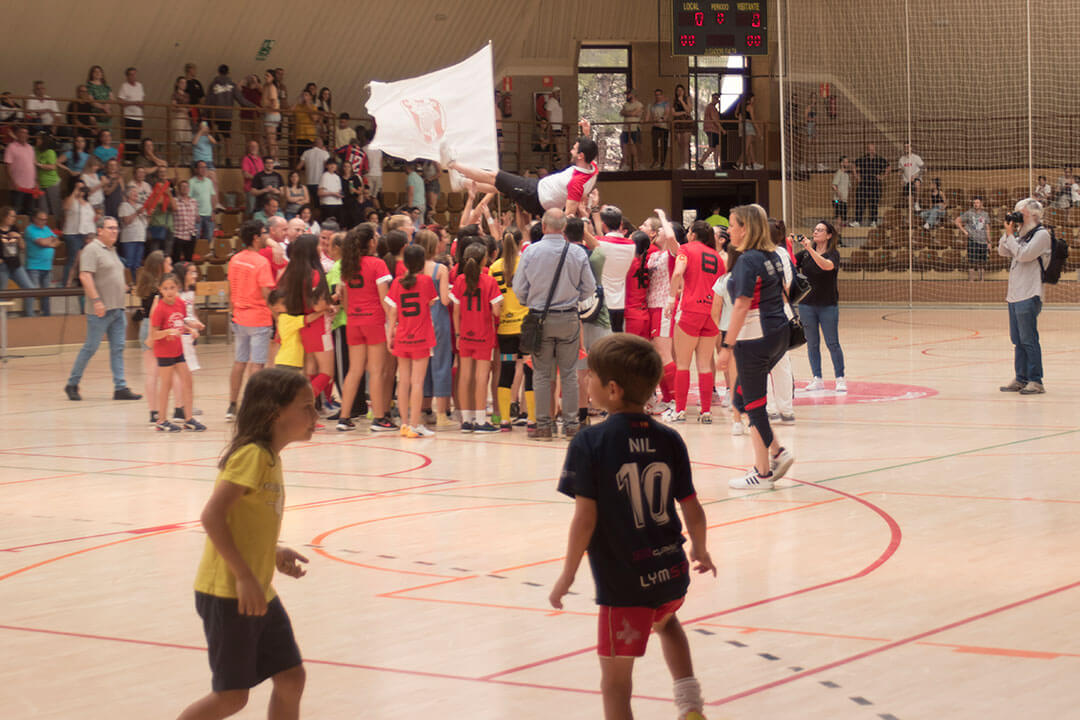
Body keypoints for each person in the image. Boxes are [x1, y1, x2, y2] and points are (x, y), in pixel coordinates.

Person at [549, 333, 714, 720]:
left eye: (591, 376)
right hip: (670, 571)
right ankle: (690, 706)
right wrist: (701, 549)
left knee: (616, 683)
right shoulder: (669, 438)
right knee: (667, 622)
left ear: (612, 389)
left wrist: (567, 575)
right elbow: (692, 506)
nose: (587, 381)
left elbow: (584, 520)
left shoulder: (590, 442)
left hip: (624, 583)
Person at [175, 367, 312, 720]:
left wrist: (272, 552)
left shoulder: (270, 457)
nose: (315, 415)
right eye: (306, 407)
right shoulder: (253, 455)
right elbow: (212, 516)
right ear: (275, 413)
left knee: (291, 678)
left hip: (256, 589)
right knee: (232, 697)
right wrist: (244, 576)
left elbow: (244, 521)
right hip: (228, 593)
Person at [721, 204, 796, 489]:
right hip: (778, 333)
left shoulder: (747, 260)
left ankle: (769, 465)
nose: (729, 230)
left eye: (732, 225)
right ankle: (768, 460)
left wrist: (726, 346)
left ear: (745, 228)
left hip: (754, 337)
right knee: (743, 400)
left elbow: (742, 305)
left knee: (752, 405)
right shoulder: (773, 255)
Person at [513, 209, 596, 441]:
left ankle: (543, 426)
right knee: (569, 374)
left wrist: (529, 301)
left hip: (540, 318)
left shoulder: (531, 252)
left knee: (541, 374)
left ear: (544, 226)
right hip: (568, 317)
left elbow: (519, 288)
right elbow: (589, 287)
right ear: (564, 228)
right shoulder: (577, 253)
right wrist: (573, 297)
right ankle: (570, 426)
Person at [443, 121, 599, 217]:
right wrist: (586, 134)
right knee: (499, 187)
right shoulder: (592, 168)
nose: (571, 151)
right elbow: (589, 152)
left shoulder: (577, 183)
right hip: (537, 189)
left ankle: (452, 164)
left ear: (581, 156)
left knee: (495, 176)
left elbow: (568, 215)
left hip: (534, 196)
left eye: (574, 149)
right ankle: (462, 182)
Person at [64, 216, 142, 401]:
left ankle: (120, 387)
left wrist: (123, 286)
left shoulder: (112, 250)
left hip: (117, 308)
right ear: (100, 230)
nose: (115, 231)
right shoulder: (92, 249)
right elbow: (85, 276)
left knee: (118, 348)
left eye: (116, 228)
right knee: (90, 347)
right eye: (110, 228)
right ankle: (72, 384)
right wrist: (96, 300)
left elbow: (110, 275)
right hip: (100, 310)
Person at [335, 224, 395, 432]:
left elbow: (345, 301)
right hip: (374, 321)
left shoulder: (347, 265)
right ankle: (379, 418)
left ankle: (344, 418)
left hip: (353, 322)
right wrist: (395, 321)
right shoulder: (377, 264)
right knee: (376, 371)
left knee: (354, 370)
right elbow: (384, 299)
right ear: (370, 242)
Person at [663, 221, 723, 423]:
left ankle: (680, 411)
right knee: (705, 364)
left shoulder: (686, 249)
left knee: (682, 363)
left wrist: (671, 299)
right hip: (712, 313)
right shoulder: (718, 257)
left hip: (690, 310)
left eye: (688, 232)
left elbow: (677, 273)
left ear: (693, 235)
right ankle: (706, 412)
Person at [998, 198, 1052, 395]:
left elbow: (1023, 255)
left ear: (1034, 215)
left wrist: (1011, 236)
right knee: (1017, 340)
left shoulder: (1041, 235)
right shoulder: (1022, 235)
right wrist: (1009, 232)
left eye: (1021, 213)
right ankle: (1021, 378)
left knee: (1028, 339)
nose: (1018, 216)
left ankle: (1036, 380)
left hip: (1029, 293)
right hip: (1015, 294)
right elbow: (1002, 250)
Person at [384, 244, 438, 438]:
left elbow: (392, 312)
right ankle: (415, 425)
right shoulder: (426, 281)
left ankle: (404, 424)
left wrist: (390, 334)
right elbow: (431, 302)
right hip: (421, 337)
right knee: (417, 383)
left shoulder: (397, 282)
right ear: (422, 263)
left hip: (402, 336)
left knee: (403, 381)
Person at [226, 220, 276, 420]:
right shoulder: (261, 262)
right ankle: (253, 407)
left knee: (239, 361)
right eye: (264, 233)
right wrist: (277, 316)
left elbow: (230, 289)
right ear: (256, 238)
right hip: (258, 318)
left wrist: (233, 311)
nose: (266, 237)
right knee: (257, 364)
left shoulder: (235, 260)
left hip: (239, 317)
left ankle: (232, 405)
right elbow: (266, 293)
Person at [452, 243, 502, 432]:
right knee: (481, 377)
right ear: (484, 260)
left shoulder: (460, 280)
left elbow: (455, 311)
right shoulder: (489, 281)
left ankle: (466, 420)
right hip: (483, 335)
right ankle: (481, 421)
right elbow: (496, 312)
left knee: (465, 376)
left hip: (465, 334)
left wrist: (458, 334)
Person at [149, 272, 206, 432]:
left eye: (172, 288)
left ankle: (188, 419)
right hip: (164, 352)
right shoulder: (160, 309)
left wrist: (191, 329)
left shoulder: (180, 303)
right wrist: (167, 332)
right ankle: (161, 420)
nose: (169, 291)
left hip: (177, 350)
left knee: (188, 381)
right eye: (165, 288)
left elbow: (179, 324)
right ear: (160, 289)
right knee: (166, 385)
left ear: (177, 288)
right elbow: (154, 334)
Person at [490, 228, 535, 432]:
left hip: (505, 329)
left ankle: (505, 420)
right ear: (519, 242)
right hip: (526, 327)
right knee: (529, 371)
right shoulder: (527, 263)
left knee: (506, 370)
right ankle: (532, 420)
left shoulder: (494, 267)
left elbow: (494, 299)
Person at [798, 221, 846, 394]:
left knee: (832, 343)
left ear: (829, 235)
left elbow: (826, 266)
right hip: (806, 305)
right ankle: (817, 378)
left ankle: (840, 378)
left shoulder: (833, 254)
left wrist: (809, 249)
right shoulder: (804, 254)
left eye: (820, 230)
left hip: (827, 305)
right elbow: (789, 263)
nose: (816, 232)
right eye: (815, 229)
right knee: (812, 343)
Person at [206, 65, 255, 162]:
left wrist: (205, 112)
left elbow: (209, 99)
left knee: (209, 131)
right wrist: (253, 106)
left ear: (218, 72)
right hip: (226, 113)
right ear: (228, 73)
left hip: (214, 112)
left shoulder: (213, 84)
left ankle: (211, 153)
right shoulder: (232, 85)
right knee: (227, 136)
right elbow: (241, 100)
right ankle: (228, 157)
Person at [0, 207, 36, 316]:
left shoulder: (14, 228)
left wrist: (19, 237)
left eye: (14, 216)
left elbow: (23, 247)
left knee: (30, 288)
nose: (14, 218)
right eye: (12, 216)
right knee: (2, 293)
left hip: (16, 265)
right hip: (2, 266)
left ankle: (29, 315)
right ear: (4, 216)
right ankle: (2, 318)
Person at [23, 210, 59, 316]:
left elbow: (57, 242)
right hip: (34, 266)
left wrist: (49, 242)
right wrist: (51, 240)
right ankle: (29, 315)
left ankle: (46, 315)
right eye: (41, 219)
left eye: (45, 220)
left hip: (47, 266)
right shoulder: (30, 229)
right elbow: (42, 242)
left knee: (46, 294)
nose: (44, 222)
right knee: (32, 293)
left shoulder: (46, 228)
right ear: (34, 219)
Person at [62, 178, 96, 286]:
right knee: (73, 260)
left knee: (85, 261)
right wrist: (74, 192)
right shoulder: (71, 200)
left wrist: (91, 235)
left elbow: (90, 220)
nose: (81, 190)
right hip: (72, 233)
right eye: (78, 188)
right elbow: (66, 207)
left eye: (82, 188)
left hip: (86, 235)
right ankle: (66, 284)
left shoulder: (88, 204)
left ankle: (83, 283)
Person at [852, 143, 890, 227]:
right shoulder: (863, 159)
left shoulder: (879, 159)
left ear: (875, 149)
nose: (871, 151)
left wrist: (883, 177)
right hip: (863, 183)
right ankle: (857, 221)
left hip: (875, 184)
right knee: (860, 202)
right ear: (867, 150)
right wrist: (857, 176)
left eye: (873, 149)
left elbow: (888, 167)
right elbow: (854, 165)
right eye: (870, 149)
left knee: (874, 203)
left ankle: (873, 221)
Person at [4, 126, 37, 215]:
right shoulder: (11, 147)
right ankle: (17, 225)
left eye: (26, 133)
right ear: (17, 134)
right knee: (16, 212)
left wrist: (36, 181)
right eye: (22, 132)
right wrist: (13, 182)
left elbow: (33, 166)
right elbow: (7, 167)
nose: (24, 135)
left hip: (31, 186)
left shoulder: (31, 148)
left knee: (30, 212)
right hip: (17, 186)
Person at [956, 196, 990, 282]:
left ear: (981, 203)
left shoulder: (985, 214)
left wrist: (989, 242)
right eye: (974, 203)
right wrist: (964, 231)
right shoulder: (969, 213)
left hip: (983, 241)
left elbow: (987, 228)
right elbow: (957, 221)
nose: (975, 204)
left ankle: (982, 281)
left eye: (977, 202)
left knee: (982, 263)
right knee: (971, 262)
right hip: (972, 240)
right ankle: (971, 281)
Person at [117, 185, 148, 270]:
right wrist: (137, 213)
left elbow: (146, 223)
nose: (136, 193)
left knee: (138, 264)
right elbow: (126, 221)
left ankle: (136, 278)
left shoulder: (140, 206)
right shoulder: (124, 205)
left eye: (137, 192)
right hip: (129, 239)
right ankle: (128, 278)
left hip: (141, 238)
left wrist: (149, 215)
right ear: (128, 194)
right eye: (134, 191)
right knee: (129, 263)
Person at [117, 67, 145, 159]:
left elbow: (142, 100)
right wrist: (133, 103)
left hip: (139, 116)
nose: (133, 76)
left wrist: (141, 104)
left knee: (137, 139)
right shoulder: (124, 86)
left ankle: (135, 158)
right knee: (129, 139)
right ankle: (128, 158)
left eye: (134, 74)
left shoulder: (140, 85)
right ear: (127, 76)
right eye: (131, 74)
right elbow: (120, 101)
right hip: (128, 116)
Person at [297, 135, 329, 210]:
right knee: (319, 205)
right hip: (320, 183)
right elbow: (327, 166)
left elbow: (298, 167)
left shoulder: (306, 153)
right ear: (321, 144)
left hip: (309, 182)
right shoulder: (325, 153)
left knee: (310, 204)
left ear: (313, 144)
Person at [189, 161, 217, 243]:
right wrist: (195, 213)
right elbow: (189, 199)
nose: (204, 169)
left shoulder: (209, 181)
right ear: (196, 169)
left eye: (205, 167)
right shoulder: (191, 182)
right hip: (197, 215)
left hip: (208, 214)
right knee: (195, 237)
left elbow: (212, 197)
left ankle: (205, 250)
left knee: (209, 237)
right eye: (201, 167)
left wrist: (213, 212)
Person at [619, 89, 644, 170]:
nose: (627, 96)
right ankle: (626, 163)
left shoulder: (639, 104)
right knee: (624, 145)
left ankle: (637, 164)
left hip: (634, 128)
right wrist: (630, 113)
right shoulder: (625, 104)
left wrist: (628, 113)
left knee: (635, 146)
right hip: (625, 128)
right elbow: (621, 113)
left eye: (628, 94)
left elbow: (635, 113)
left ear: (633, 95)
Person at [647, 88, 672, 169]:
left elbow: (667, 114)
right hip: (655, 127)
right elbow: (648, 116)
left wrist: (661, 119)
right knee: (654, 144)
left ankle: (662, 163)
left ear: (662, 95)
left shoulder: (666, 104)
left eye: (659, 95)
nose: (657, 96)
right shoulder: (652, 105)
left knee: (663, 146)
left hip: (664, 127)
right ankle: (656, 160)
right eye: (656, 95)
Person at [672, 84, 693, 170]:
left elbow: (689, 110)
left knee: (685, 143)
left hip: (686, 122)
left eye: (681, 90)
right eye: (678, 90)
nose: (680, 92)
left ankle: (686, 163)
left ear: (684, 91)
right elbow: (673, 113)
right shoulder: (674, 100)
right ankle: (682, 162)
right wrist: (683, 112)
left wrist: (682, 101)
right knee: (680, 144)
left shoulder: (687, 98)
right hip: (678, 123)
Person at [698, 92, 722, 170]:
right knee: (712, 148)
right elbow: (714, 119)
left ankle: (716, 166)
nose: (716, 100)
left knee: (717, 148)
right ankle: (700, 163)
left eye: (717, 99)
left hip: (716, 130)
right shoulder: (711, 107)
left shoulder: (714, 108)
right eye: (715, 98)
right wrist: (721, 129)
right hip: (712, 130)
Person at [831, 156, 853, 225]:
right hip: (837, 200)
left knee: (844, 216)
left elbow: (849, 186)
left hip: (844, 200)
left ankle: (842, 228)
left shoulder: (846, 174)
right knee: (838, 216)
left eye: (847, 162)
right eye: (845, 162)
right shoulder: (839, 173)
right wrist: (838, 193)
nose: (847, 164)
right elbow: (833, 185)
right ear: (841, 163)